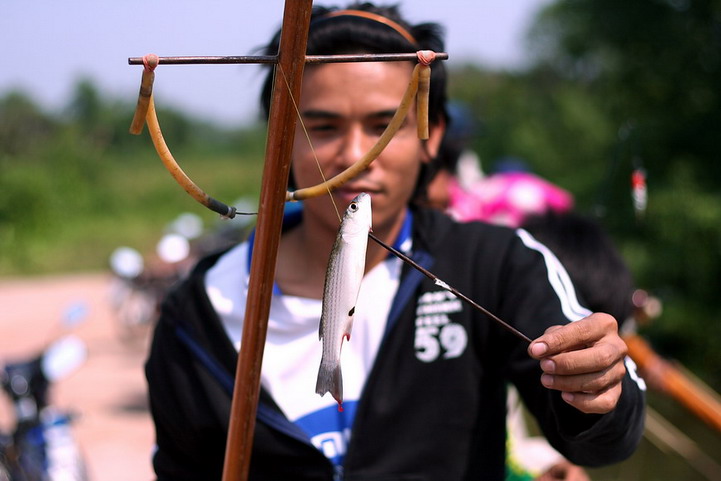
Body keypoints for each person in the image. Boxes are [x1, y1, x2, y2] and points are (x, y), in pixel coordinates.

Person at [144, 3, 646, 480]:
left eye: (385, 127)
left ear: (432, 134)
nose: (357, 158)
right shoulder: (198, 311)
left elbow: (602, 442)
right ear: (279, 136)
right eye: (322, 126)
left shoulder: (496, 263)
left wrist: (599, 391)